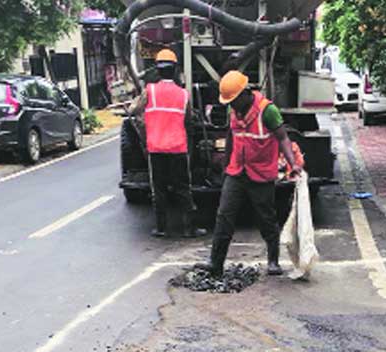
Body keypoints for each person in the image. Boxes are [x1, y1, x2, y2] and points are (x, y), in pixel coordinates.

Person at [195, 71, 304, 277]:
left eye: (234, 100)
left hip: (261, 174)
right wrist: (225, 165)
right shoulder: (233, 111)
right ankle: (215, 263)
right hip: (237, 171)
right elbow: (231, 136)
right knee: (224, 216)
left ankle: (273, 261)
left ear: (246, 93)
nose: (232, 105)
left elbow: (283, 138)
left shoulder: (267, 110)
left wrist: (293, 164)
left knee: (266, 217)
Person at [130, 49, 206, 238]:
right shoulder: (183, 94)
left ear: (157, 69)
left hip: (156, 148)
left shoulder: (150, 91)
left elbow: (134, 110)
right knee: (183, 188)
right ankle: (190, 228)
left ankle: (161, 228)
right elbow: (189, 118)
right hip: (178, 148)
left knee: (159, 188)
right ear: (175, 70)